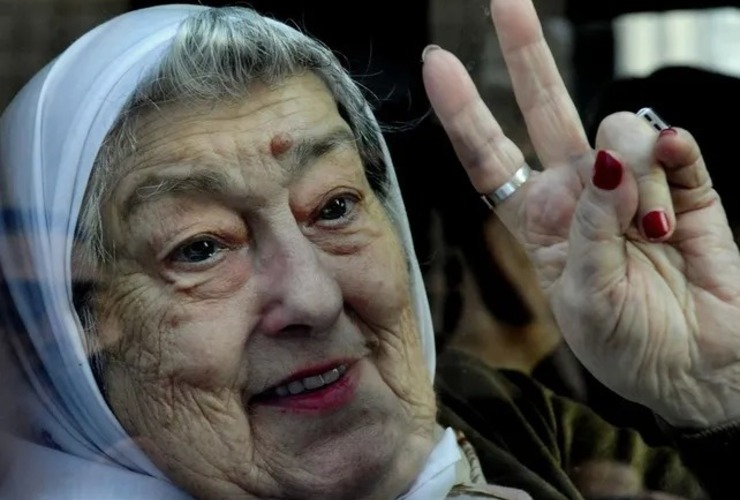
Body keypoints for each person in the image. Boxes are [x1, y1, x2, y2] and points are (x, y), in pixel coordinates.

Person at [1, 1, 739, 499]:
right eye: (200, 248)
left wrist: (713, 391)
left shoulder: (515, 424)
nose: (315, 299)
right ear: (75, 320)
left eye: (335, 206)